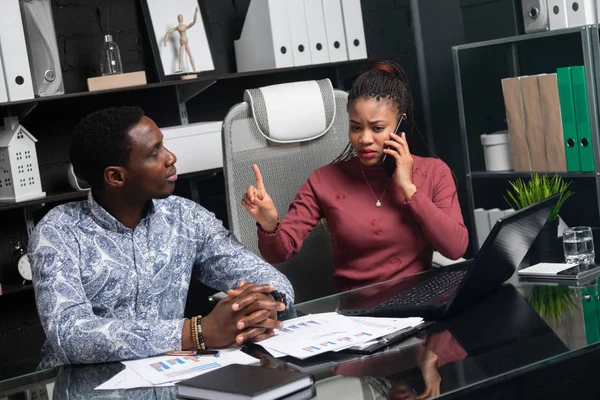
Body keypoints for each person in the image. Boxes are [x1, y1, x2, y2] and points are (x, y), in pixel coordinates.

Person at [28, 106, 294, 370]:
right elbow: (69, 335)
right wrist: (196, 332)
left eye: (163, 146)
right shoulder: (58, 231)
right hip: (79, 387)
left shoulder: (185, 216)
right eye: (154, 153)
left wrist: (265, 305)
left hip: (166, 377)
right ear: (116, 176)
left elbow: (269, 280)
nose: (170, 157)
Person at [242, 60, 468, 292]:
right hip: (357, 313)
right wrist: (269, 225)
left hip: (420, 305)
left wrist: (409, 189)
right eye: (356, 127)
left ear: (400, 123)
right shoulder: (324, 180)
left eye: (377, 128)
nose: (364, 139)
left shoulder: (434, 172)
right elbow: (280, 252)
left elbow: (455, 248)